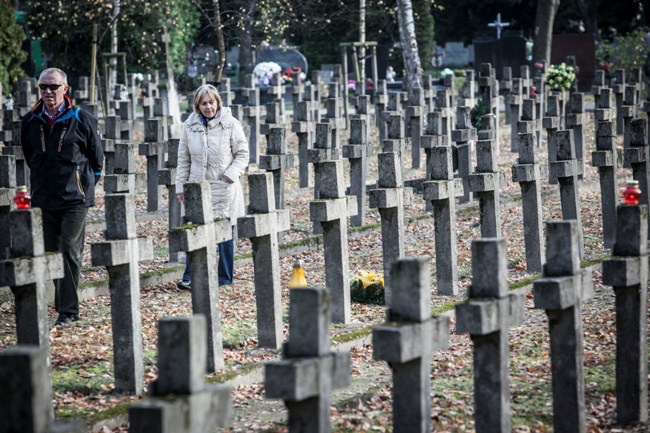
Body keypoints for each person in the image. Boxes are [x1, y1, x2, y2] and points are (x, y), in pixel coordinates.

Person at [21, 67, 104, 326]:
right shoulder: (30, 120)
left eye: (53, 87)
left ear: (65, 89)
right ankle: (62, 303)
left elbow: (96, 158)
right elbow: (30, 155)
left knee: (68, 249)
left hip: (74, 199)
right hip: (44, 198)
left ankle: (68, 311)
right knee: (53, 252)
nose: (48, 92)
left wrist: (84, 186)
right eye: (43, 87)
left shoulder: (81, 118)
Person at [175, 84, 249, 290]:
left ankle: (224, 279)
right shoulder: (189, 127)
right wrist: (181, 186)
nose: (208, 107)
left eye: (211, 102)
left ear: (218, 102)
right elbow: (184, 159)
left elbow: (243, 154)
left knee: (224, 233)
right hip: (197, 187)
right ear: (197, 106)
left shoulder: (231, 124)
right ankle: (190, 277)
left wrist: (229, 176)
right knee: (196, 231)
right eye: (203, 103)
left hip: (223, 186)